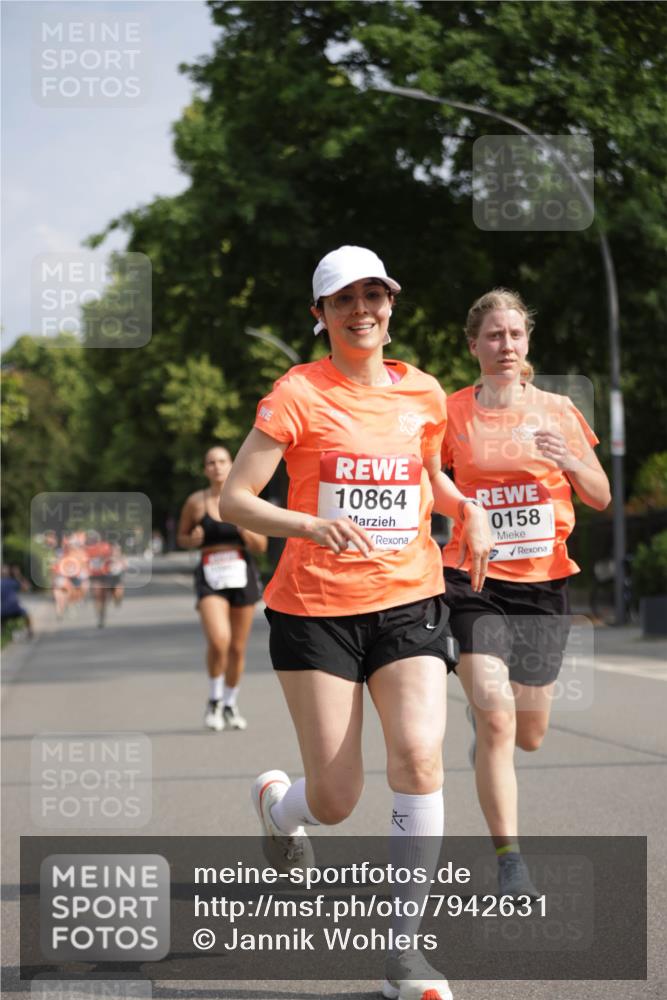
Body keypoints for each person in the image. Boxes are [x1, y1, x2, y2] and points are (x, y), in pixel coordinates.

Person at [221, 246, 492, 1000]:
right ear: (320, 316)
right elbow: (235, 501)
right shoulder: (297, 393)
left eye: (374, 295)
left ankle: (402, 956)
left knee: (420, 758)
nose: (361, 309)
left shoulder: (425, 392)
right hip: (313, 610)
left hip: (408, 598)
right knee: (335, 798)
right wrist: (305, 525)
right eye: (344, 299)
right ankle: (281, 809)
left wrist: (463, 505)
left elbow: (425, 474)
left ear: (390, 304)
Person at [441, 288, 611, 897]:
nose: (505, 344)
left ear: (527, 342)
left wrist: (570, 458)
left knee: (528, 734)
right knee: (497, 720)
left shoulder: (558, 410)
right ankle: (511, 860)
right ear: (474, 346)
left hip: (543, 585)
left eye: (514, 334)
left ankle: (490, 718)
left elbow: (600, 495)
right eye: (493, 335)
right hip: (472, 580)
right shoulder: (452, 413)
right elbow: (426, 477)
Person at [177, 446, 267, 732]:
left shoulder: (245, 500)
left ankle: (230, 703)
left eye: (222, 461)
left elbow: (262, 545)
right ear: (205, 469)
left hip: (241, 573)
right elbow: (182, 537)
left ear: (231, 465)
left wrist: (245, 529)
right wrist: (193, 539)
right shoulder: (196, 502)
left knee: (238, 649)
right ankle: (214, 701)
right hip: (210, 573)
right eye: (210, 462)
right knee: (219, 641)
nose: (216, 466)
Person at [1, 564, 33, 638]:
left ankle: (2, 634)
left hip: (3, 610)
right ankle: (30, 632)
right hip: (14, 608)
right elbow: (27, 588)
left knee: (2, 620)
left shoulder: (11, 582)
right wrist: (19, 576)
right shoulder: (13, 581)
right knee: (27, 615)